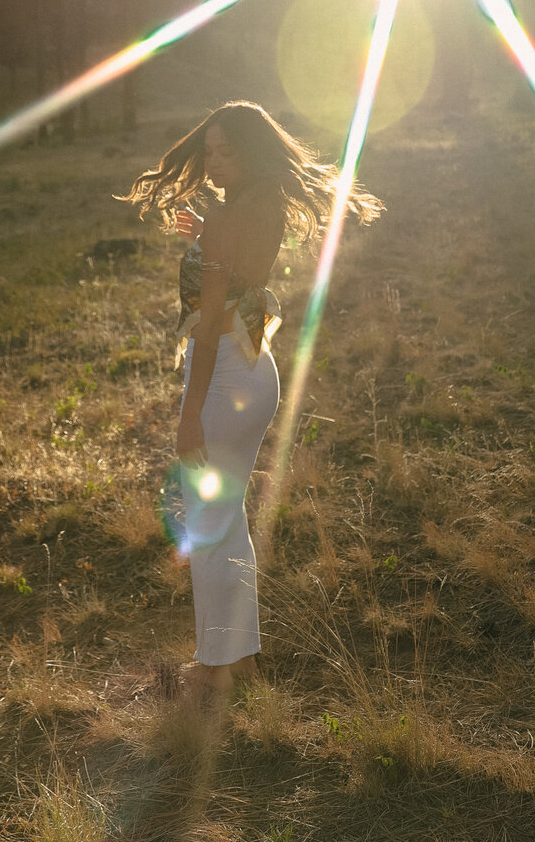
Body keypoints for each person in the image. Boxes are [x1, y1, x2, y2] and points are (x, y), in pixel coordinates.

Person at [123, 101, 382, 694]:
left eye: (225, 153)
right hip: (255, 372)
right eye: (209, 151)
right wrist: (205, 236)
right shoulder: (260, 203)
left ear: (251, 153)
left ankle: (216, 667)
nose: (212, 165)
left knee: (210, 522)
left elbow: (209, 323)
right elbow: (236, 265)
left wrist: (189, 416)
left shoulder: (229, 218)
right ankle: (239, 657)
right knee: (226, 518)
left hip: (220, 379)